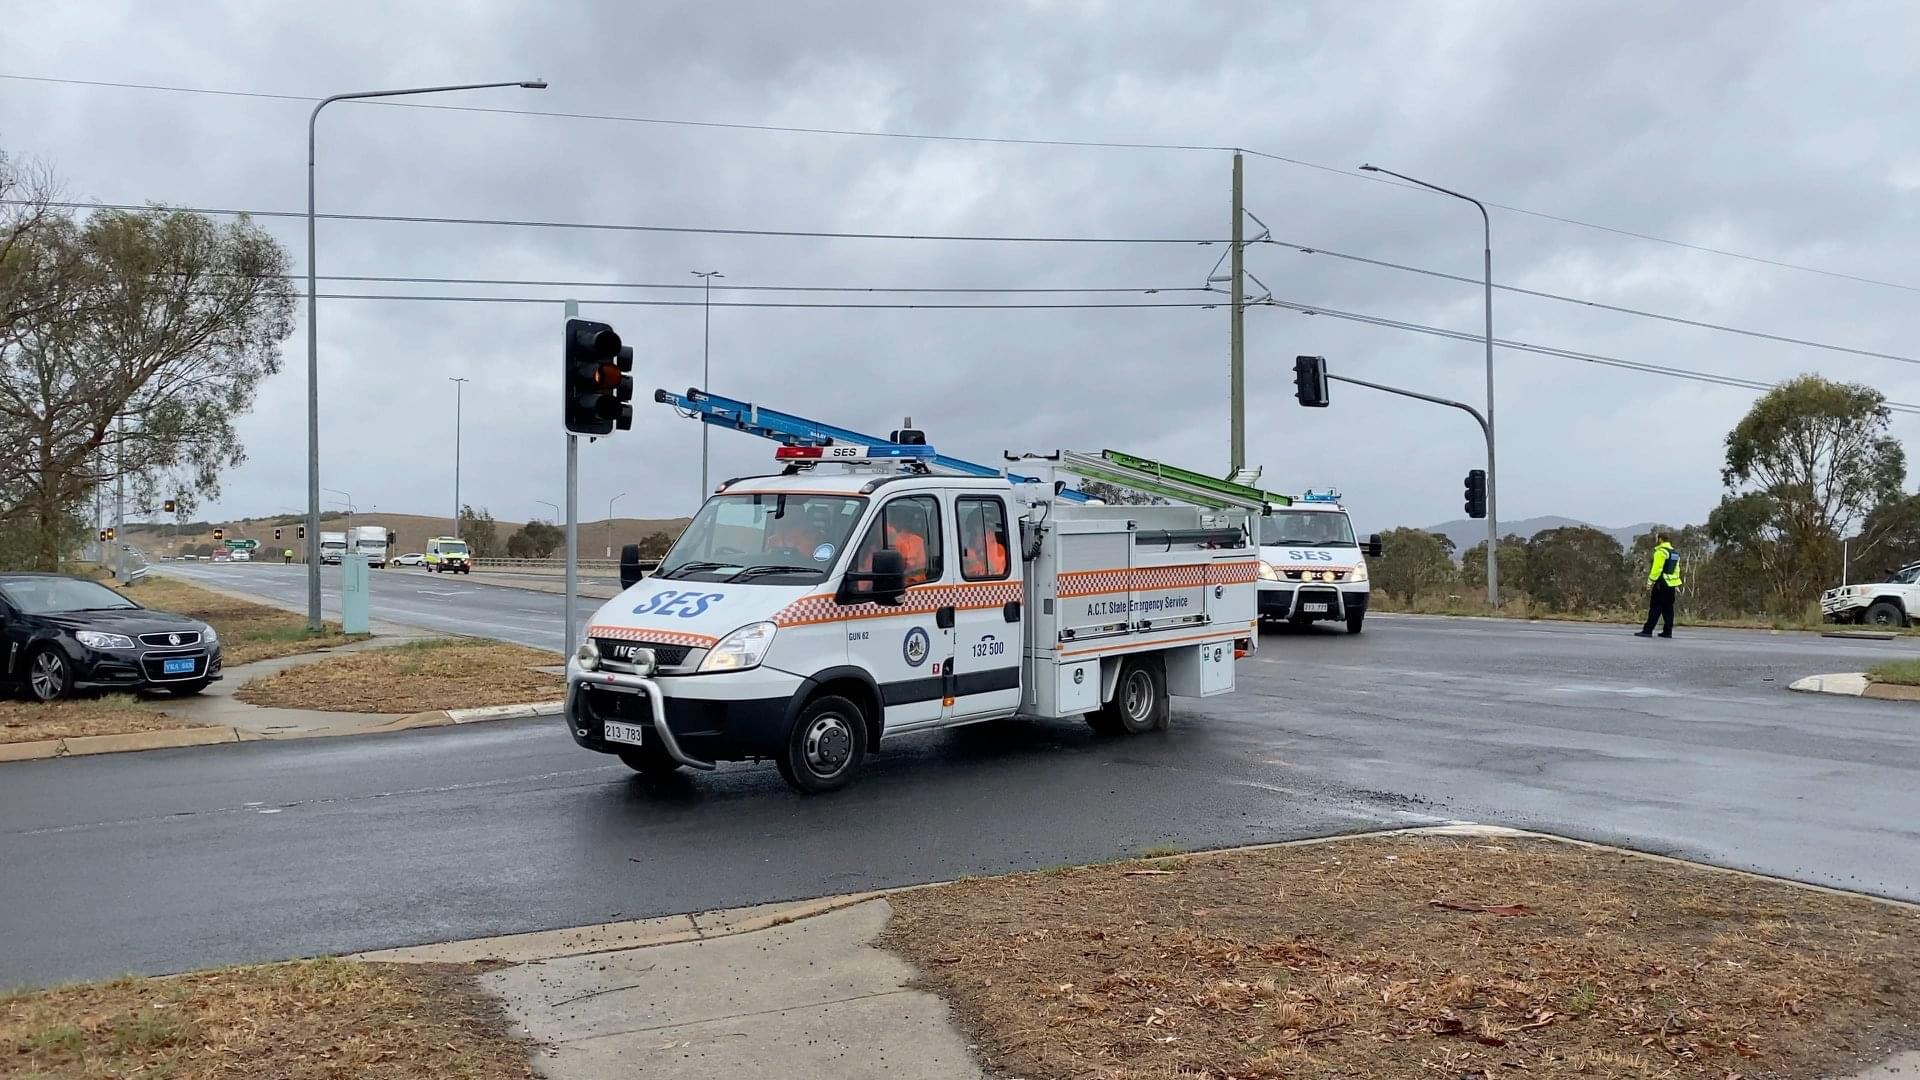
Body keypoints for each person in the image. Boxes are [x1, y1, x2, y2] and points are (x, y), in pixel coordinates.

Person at [1634, 532, 1683, 638]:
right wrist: (1677, 583)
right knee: (1668, 609)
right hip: (1672, 585)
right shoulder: (1674, 553)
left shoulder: (1661, 552)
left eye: (1656, 538)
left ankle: (1647, 631)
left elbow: (1656, 569)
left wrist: (1650, 582)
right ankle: (1667, 632)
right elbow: (1676, 570)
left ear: (1660, 539)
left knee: (1655, 607)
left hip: (1662, 584)